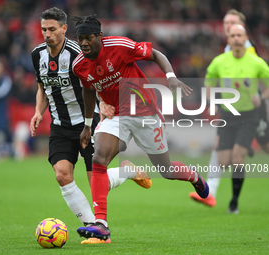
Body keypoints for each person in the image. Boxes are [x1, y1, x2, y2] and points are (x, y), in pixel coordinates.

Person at [72, 15, 209, 241]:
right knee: (98, 159)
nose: (84, 43)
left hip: (144, 110)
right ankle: (101, 223)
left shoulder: (119, 46)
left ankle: (194, 176)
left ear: (99, 37)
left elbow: (156, 54)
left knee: (166, 171)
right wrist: (88, 124)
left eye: (88, 38)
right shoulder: (80, 64)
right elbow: (88, 89)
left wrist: (171, 77)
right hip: (116, 115)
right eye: (80, 39)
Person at [30, 7, 151, 244]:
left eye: (52, 29)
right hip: (60, 125)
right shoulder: (37, 55)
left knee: (96, 178)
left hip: (88, 121)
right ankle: (93, 228)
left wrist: (104, 102)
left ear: (64, 29)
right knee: (62, 175)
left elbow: (96, 79)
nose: (47, 34)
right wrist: (38, 111)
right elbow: (43, 87)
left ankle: (127, 172)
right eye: (44, 29)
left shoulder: (79, 52)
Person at [190, 9, 269, 209]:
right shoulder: (221, 59)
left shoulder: (254, 59)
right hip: (228, 114)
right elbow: (209, 83)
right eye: (231, 32)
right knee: (224, 159)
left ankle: (231, 201)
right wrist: (212, 102)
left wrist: (261, 97)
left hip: (250, 114)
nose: (234, 37)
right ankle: (213, 190)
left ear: (245, 36)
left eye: (238, 33)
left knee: (239, 157)